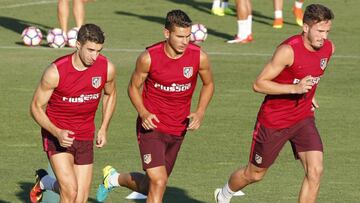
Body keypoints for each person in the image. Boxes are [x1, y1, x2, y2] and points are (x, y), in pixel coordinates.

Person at [215, 4, 334, 203]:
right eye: (320, 31)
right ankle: (224, 194)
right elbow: (258, 84)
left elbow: (313, 74)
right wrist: (295, 89)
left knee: (315, 171)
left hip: (303, 118)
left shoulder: (328, 48)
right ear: (305, 28)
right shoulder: (288, 51)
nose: (324, 37)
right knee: (254, 174)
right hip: (274, 122)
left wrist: (310, 94)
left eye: (327, 31)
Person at [96, 9, 215, 203]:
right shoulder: (149, 58)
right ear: (167, 33)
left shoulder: (198, 57)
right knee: (159, 181)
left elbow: (209, 84)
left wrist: (200, 111)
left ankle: (113, 178)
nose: (185, 42)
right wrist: (143, 113)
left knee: (151, 185)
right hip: (152, 127)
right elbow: (133, 87)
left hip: (178, 128)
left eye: (188, 36)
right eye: (180, 36)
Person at [29, 23, 117, 203]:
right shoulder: (56, 72)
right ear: (78, 45)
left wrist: (103, 127)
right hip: (57, 135)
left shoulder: (106, 68)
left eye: (98, 51)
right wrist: (57, 132)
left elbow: (110, 94)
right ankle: (47, 181)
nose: (94, 56)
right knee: (70, 192)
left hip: (85, 135)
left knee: (80, 198)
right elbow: (35, 107)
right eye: (90, 50)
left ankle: (45, 181)